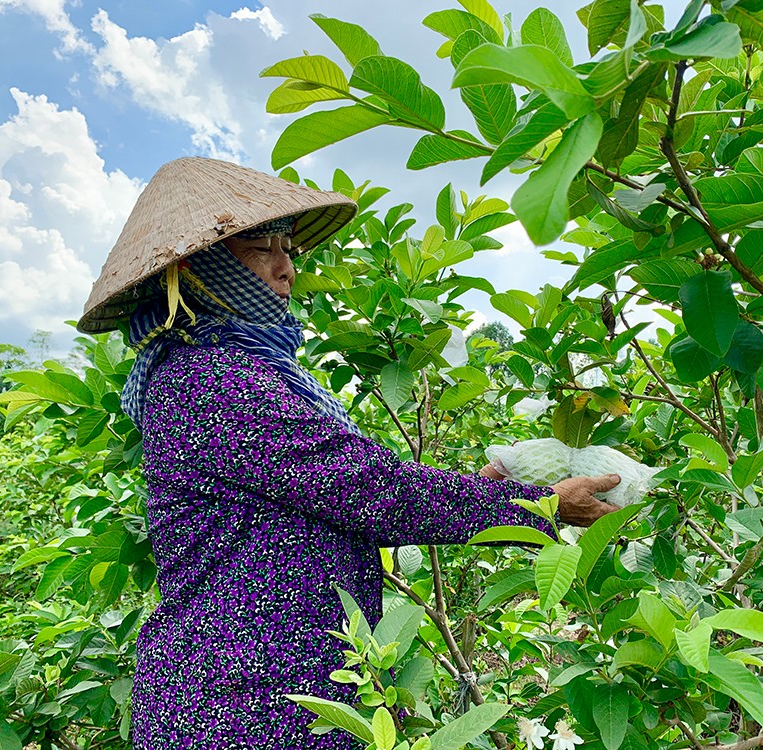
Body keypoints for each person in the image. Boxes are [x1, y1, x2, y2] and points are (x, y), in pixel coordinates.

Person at [78, 157, 620, 749]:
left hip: (271, 688)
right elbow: (366, 488)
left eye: (290, 247)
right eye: (266, 248)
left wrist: (486, 489)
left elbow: (332, 498)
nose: (288, 268)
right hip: (241, 702)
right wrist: (537, 505)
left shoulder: (238, 369)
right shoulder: (211, 379)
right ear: (197, 265)